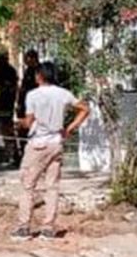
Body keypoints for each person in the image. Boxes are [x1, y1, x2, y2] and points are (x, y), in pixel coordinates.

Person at [12, 62, 88, 241]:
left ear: (39, 76)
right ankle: (48, 227)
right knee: (52, 186)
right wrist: (69, 128)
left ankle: (24, 227)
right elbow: (85, 109)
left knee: (27, 185)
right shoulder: (63, 93)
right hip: (56, 143)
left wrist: (19, 122)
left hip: (38, 144)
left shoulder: (33, 95)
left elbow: (29, 121)